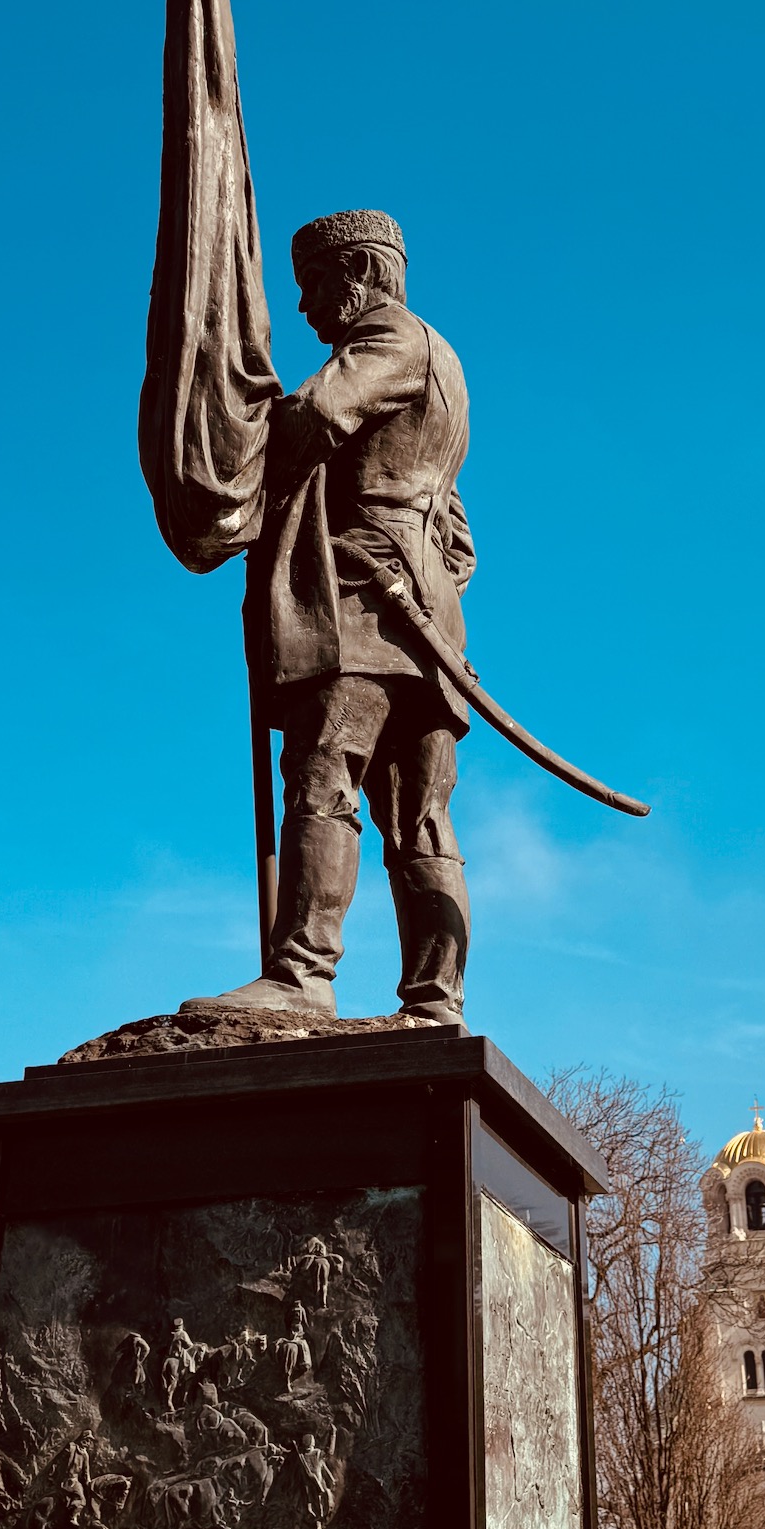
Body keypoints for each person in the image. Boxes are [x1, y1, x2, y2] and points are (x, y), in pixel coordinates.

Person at [181, 210, 475, 1027]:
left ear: (359, 272)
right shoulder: (443, 365)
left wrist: (232, 424)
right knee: (419, 818)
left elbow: (312, 415)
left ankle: (303, 974)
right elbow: (459, 541)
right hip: (429, 623)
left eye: (313, 288)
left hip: (364, 611)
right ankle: (433, 1003)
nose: (306, 311)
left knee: (324, 779)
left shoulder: (388, 341)